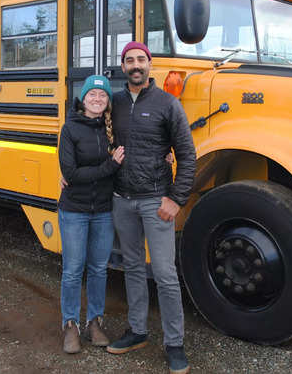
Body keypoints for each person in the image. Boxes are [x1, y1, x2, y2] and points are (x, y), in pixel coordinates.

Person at [106, 41, 196, 374]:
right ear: (123, 66)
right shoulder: (113, 103)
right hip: (122, 200)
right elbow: (88, 132)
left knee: (164, 274)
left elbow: (187, 154)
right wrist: (69, 174)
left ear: (149, 64)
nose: (135, 65)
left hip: (155, 202)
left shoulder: (167, 104)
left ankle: (174, 344)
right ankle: (138, 331)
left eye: (141, 59)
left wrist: (176, 199)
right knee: (132, 269)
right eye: (129, 60)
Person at [57, 74, 125, 354]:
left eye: (103, 96)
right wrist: (109, 166)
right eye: (92, 95)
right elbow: (71, 174)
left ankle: (94, 322)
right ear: (83, 99)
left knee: (98, 269)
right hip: (74, 210)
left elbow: (141, 145)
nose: (97, 100)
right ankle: (70, 324)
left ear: (108, 101)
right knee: (73, 270)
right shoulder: (70, 128)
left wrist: (168, 154)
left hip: (103, 211)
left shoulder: (112, 130)